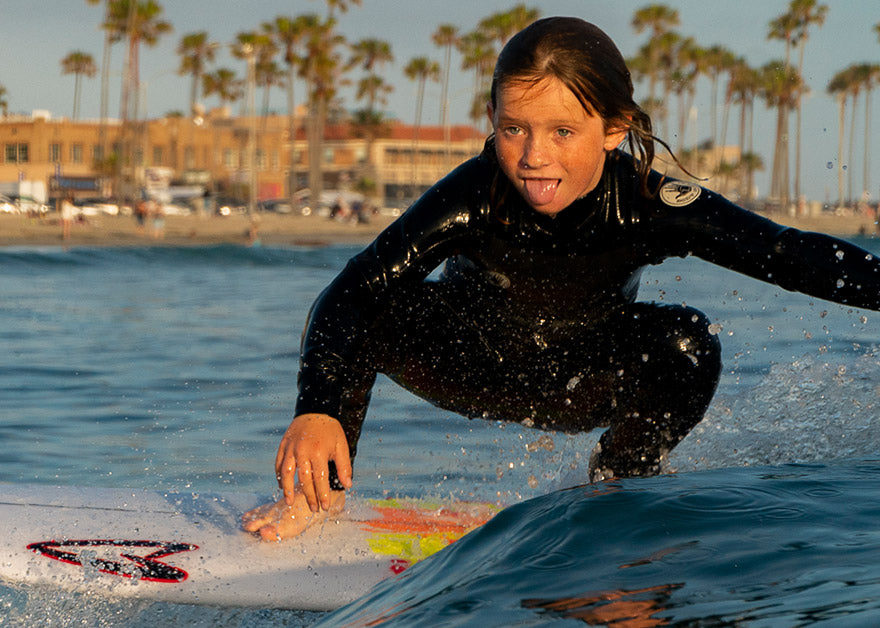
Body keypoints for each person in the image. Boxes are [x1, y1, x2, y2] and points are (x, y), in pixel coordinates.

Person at [242, 16, 880, 542]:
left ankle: (617, 486)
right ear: (492, 117)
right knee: (374, 302)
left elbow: (789, 253)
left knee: (686, 341)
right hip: (464, 359)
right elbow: (353, 288)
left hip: (578, 379)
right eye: (513, 128)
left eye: (562, 131)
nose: (532, 155)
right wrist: (317, 407)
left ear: (614, 129)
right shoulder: (475, 191)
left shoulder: (645, 204)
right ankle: (313, 503)